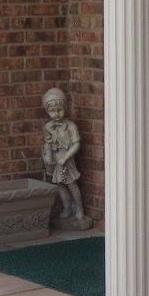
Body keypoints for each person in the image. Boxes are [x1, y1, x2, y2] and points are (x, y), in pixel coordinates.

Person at [41, 87, 92, 229]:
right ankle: (67, 207)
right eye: (52, 111)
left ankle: (80, 209)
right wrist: (48, 155)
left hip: (66, 159)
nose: (56, 114)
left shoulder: (70, 126)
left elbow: (76, 144)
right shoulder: (48, 126)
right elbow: (48, 143)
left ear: (65, 108)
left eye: (59, 110)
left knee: (71, 183)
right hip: (56, 159)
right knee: (60, 184)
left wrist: (66, 158)